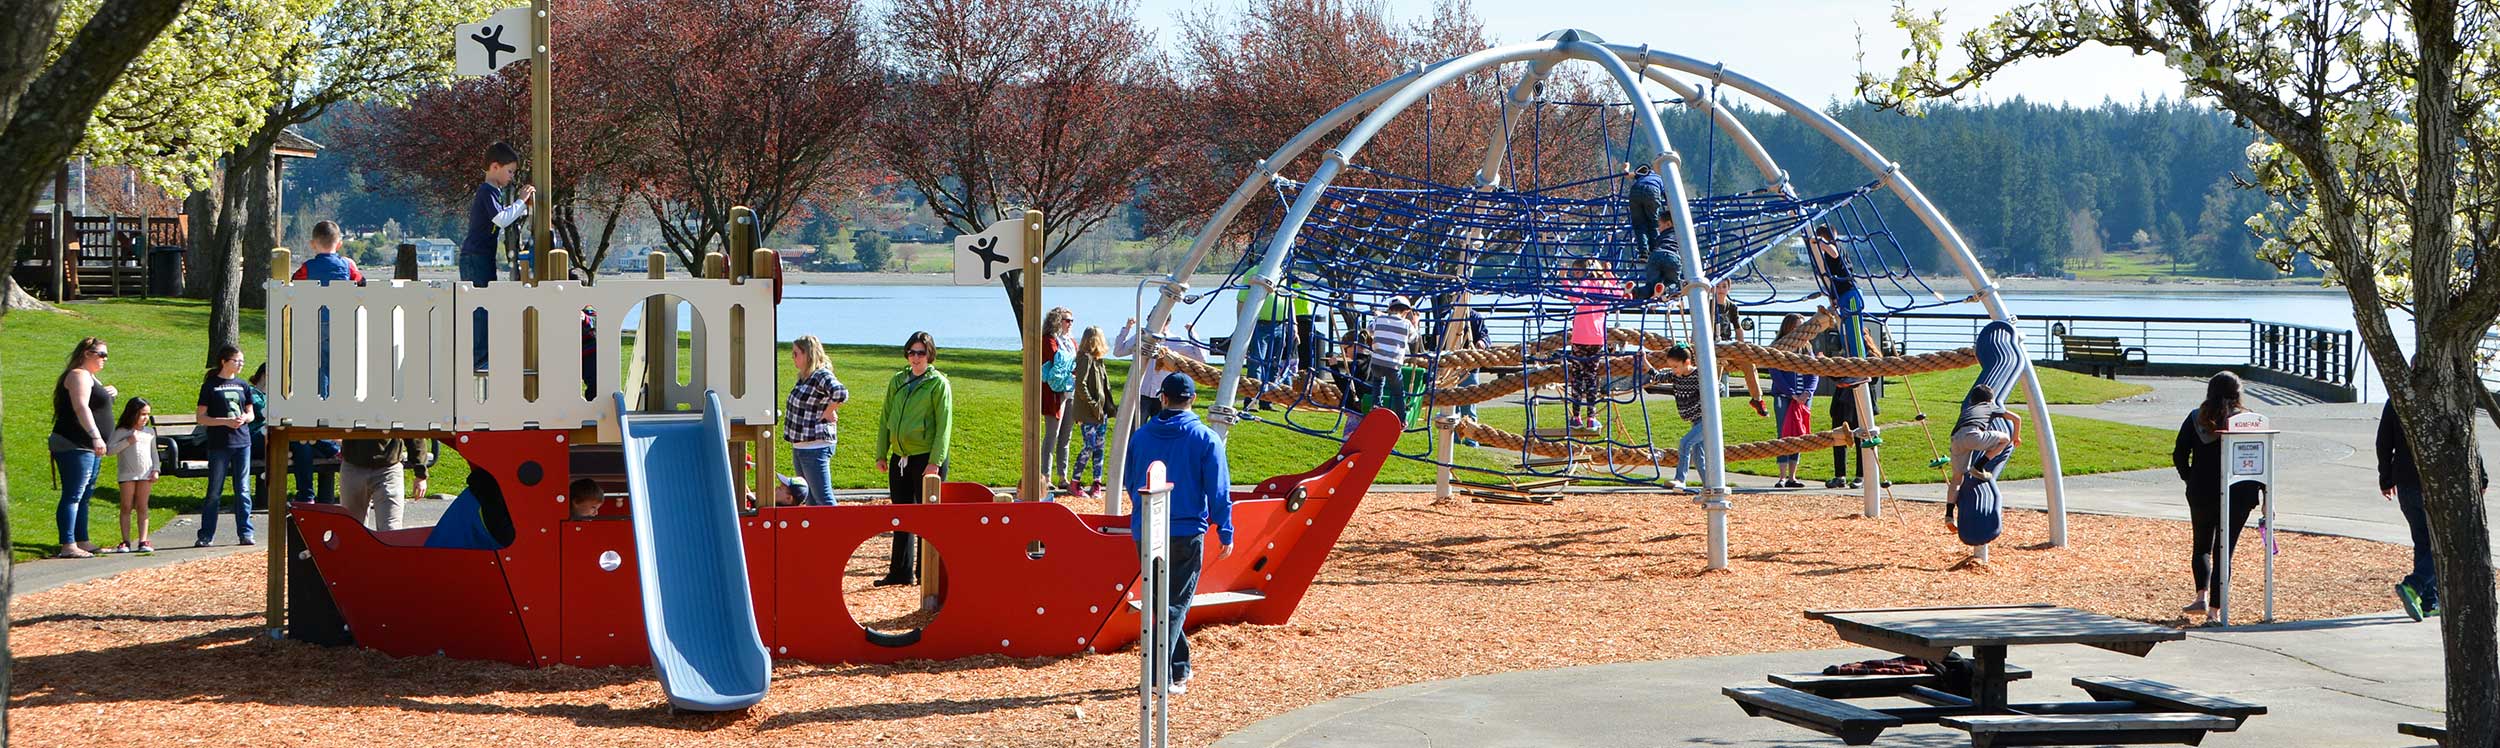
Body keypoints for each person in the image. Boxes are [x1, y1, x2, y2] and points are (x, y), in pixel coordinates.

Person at [1123, 373, 1233, 696]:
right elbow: (1218, 490)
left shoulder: (1141, 437)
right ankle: (1159, 674)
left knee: (1164, 604)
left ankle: (1179, 667)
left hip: (1147, 528)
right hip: (1186, 530)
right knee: (1175, 605)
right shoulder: (1205, 438)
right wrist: (1225, 528)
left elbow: (1132, 482)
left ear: (1162, 399)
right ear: (1193, 400)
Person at [2377, 401, 2485, 620]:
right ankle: (2414, 585)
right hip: (2437, 482)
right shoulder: (2444, 397)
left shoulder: (2397, 399)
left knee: (2424, 542)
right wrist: (2480, 475)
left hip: (2406, 482)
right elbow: (2467, 439)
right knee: (2446, 542)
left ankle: (2428, 602)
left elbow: (2383, 442)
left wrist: (2386, 478)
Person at [2172, 371, 2262, 615]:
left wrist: (2190, 478)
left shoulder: (2195, 418)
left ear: (2209, 392)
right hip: (2240, 494)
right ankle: (2215, 611)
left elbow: (2179, 455)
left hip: (2202, 490)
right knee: (2225, 551)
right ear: (2238, 393)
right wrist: (2264, 493)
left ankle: (2201, 596)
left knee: (2201, 546)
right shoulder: (2250, 421)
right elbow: (2259, 460)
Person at [873, 331, 953, 586]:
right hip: (900, 457)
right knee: (901, 514)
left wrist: (935, 462)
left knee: (926, 519)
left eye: (921, 352)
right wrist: (881, 453)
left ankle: (926, 574)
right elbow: (886, 418)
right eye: (911, 352)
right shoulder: (897, 380)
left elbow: (944, 426)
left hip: (926, 458)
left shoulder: (938, 384)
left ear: (930, 354)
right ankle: (900, 571)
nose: (915, 357)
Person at [460, 142, 535, 371]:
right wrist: (522, 201)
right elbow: (501, 219)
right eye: (510, 171)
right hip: (475, 256)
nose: (512, 177)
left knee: (486, 304)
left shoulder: (495, 191)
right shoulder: (487, 191)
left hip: (483, 256)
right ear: (495, 166)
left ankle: (483, 355)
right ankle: (479, 358)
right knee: (480, 307)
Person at [49, 337, 115, 558]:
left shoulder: (89, 377)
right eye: (101, 354)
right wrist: (96, 436)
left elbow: (94, 405)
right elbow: (80, 407)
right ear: (87, 354)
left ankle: (82, 540)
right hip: (75, 443)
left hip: (88, 446)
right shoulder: (78, 375)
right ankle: (68, 545)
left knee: (85, 494)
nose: (105, 359)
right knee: (74, 494)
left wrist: (107, 393)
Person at [195, 344, 256, 547]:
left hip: (242, 442)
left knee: (243, 489)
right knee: (214, 491)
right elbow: (201, 417)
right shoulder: (211, 385)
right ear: (224, 361)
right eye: (236, 361)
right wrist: (224, 421)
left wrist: (244, 418)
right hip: (220, 444)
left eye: (242, 362)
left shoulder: (243, 385)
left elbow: (251, 412)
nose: (240, 365)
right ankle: (206, 534)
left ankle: (246, 532)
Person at [784, 335, 849, 506]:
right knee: (810, 499)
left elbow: (841, 393)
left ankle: (837, 532)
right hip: (801, 445)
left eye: (796, 353)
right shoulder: (804, 377)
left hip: (815, 445)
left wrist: (829, 411)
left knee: (823, 498)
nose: (793, 358)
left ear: (808, 354)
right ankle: (819, 532)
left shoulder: (821, 374)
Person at [1113, 318, 1206, 423]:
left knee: (1162, 431)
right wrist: (1126, 329)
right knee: (1134, 431)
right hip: (1141, 392)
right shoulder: (1140, 338)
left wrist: (1192, 333)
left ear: (1167, 321)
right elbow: (1118, 352)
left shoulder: (1175, 341)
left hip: (1163, 396)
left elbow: (1201, 358)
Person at [1942, 384, 2023, 500]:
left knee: (1957, 478)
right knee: (2005, 439)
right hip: (1974, 435)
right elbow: (2017, 418)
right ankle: (1978, 466)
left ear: (1971, 400)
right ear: (1990, 400)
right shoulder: (1990, 406)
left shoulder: (1968, 409)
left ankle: (1949, 513)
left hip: (1956, 438)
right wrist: (2016, 437)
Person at [1765, 315, 1818, 489]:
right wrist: (1791, 393)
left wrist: (1807, 392)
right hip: (1784, 396)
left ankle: (1792, 476)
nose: (1800, 331)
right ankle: (1781, 476)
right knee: (1784, 433)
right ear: (1788, 328)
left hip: (1803, 397)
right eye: (1797, 327)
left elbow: (1814, 372)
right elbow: (1776, 373)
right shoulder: (1779, 347)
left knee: (1798, 434)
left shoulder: (1806, 348)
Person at [105, 397, 160, 553]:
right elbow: (110, 450)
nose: (145, 418)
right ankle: (126, 540)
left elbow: (154, 453)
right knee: (126, 506)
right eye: (142, 414)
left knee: (142, 506)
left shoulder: (149, 432)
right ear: (133, 413)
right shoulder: (122, 431)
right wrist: (128, 441)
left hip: (145, 473)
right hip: (127, 474)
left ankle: (143, 540)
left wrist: (156, 469)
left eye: (147, 414)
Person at [1658, 345, 1716, 491]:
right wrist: (1644, 361)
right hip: (1696, 421)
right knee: (1698, 457)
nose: (1673, 370)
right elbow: (1657, 376)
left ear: (1687, 362)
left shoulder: (1699, 375)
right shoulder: (1676, 376)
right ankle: (1709, 486)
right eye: (1671, 367)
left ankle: (1680, 479)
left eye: (1676, 367)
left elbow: (1717, 387)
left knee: (1685, 443)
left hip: (1707, 420)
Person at [1070, 325, 1117, 498]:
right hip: (1089, 413)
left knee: (1099, 448)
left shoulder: (1098, 361)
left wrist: (1105, 408)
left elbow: (1104, 387)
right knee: (1089, 446)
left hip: (1100, 413)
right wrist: (1092, 404)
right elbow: (1080, 385)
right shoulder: (1085, 359)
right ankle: (1075, 482)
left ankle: (1096, 483)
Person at [1564, 259, 1611, 430]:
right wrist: (1609, 273)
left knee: (1577, 377)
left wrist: (1564, 280)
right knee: (1591, 378)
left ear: (1585, 271)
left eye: (1576, 271)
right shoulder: (1604, 285)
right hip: (1597, 338)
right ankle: (1591, 418)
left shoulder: (1586, 283)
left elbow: (1573, 296)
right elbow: (1619, 292)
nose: (1575, 274)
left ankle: (1576, 417)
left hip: (1580, 338)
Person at [1626, 164, 1680, 301]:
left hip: (1635, 192)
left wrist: (1626, 168)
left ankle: (1643, 254)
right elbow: (1669, 195)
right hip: (1653, 193)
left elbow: (1628, 175)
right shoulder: (1661, 178)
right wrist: (1671, 206)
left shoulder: (1642, 175)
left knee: (1639, 225)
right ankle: (1665, 290)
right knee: (1653, 224)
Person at [1040, 307, 1078, 495]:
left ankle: (1063, 476)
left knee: (1066, 437)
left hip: (1071, 391)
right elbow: (1055, 361)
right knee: (1051, 435)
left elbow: (1077, 363)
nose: (1070, 323)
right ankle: (1045, 477)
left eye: (1071, 320)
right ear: (1057, 320)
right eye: (1066, 320)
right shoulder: (1049, 340)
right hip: (1055, 393)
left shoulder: (1070, 341)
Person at [1240, 283, 1295, 411]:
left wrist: (1293, 324)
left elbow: (1290, 300)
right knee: (1257, 363)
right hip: (1260, 325)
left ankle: (1267, 401)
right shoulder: (1254, 273)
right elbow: (1241, 300)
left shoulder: (1284, 276)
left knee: (1274, 365)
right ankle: (1251, 401)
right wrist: (1242, 326)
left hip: (1280, 325)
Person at [1364, 296, 1419, 423]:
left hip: (1377, 362)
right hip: (1393, 364)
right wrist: (1415, 323)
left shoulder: (1380, 319)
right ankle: (1402, 419)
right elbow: (1413, 338)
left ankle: (1376, 407)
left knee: (1377, 384)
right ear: (1405, 312)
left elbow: (1369, 331)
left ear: (1390, 309)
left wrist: (1378, 316)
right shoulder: (1406, 324)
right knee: (1398, 393)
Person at [339, 437, 409, 531]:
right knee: (352, 530)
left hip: (389, 468)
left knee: (391, 530)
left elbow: (412, 428)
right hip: (353, 465)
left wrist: (420, 471)